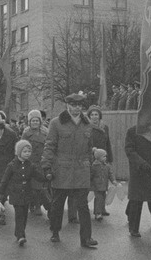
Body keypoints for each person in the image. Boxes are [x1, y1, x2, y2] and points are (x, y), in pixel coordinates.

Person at [41, 93, 97, 247]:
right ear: (67, 105)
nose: (77, 108)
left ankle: (86, 238)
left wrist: (90, 166)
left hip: (81, 170)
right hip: (62, 170)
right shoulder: (56, 123)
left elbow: (89, 148)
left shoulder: (87, 124)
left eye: (79, 105)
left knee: (83, 206)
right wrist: (46, 166)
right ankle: (55, 231)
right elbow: (50, 146)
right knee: (58, 204)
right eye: (73, 105)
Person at [0, 140, 49, 245]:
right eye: (25, 151)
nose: (27, 153)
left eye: (29, 151)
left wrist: (48, 177)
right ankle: (20, 235)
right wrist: (0, 193)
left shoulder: (31, 165)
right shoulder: (12, 165)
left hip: (27, 193)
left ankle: (21, 233)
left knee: (25, 215)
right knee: (19, 214)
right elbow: (5, 180)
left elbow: (38, 176)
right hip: (16, 193)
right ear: (18, 152)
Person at [21, 109, 51, 215]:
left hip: (41, 162)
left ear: (40, 121)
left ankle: (38, 205)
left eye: (37, 121)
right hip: (30, 161)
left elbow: (49, 146)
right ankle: (33, 204)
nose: (35, 123)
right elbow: (21, 146)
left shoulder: (46, 132)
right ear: (29, 122)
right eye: (33, 121)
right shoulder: (26, 133)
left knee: (40, 187)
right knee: (31, 186)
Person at [90, 148, 116, 221]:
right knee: (98, 199)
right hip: (97, 186)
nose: (105, 158)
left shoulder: (106, 166)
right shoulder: (94, 166)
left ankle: (102, 210)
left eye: (105, 156)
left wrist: (113, 180)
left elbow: (110, 174)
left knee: (103, 198)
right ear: (98, 157)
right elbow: (91, 175)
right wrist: (89, 183)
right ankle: (97, 213)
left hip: (104, 186)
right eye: (104, 156)